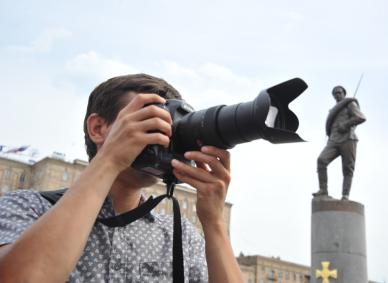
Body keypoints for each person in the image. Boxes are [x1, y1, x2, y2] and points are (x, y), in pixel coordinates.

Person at [0, 74, 243, 282]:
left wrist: (214, 224)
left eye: (169, 131)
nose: (160, 139)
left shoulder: (181, 236)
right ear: (97, 128)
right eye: (148, 122)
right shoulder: (27, 207)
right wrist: (110, 160)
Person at [313, 85, 366, 201]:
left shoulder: (350, 104)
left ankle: (345, 195)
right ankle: (323, 190)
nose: (337, 95)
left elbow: (361, 117)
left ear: (344, 94)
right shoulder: (333, 110)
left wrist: (346, 124)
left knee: (347, 169)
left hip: (348, 139)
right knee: (321, 160)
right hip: (334, 140)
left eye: (339, 92)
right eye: (335, 93)